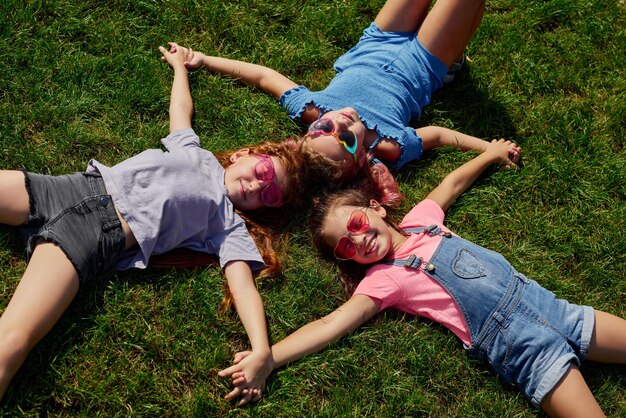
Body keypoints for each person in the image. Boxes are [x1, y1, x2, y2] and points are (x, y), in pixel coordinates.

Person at [219, 139, 626, 416]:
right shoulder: (383, 280)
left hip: (558, 310)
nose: (357, 241)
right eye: (345, 246)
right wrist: (268, 358)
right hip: (529, 353)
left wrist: (490, 153)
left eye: (357, 223)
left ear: (376, 208)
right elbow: (330, 325)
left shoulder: (421, 222)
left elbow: (451, 184)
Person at [0, 42, 301, 399]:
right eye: (263, 171)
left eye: (269, 195)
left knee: (13, 337)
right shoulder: (194, 152)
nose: (257, 186)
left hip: (92, 235)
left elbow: (243, 288)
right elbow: (181, 112)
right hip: (66, 188)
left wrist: (262, 351)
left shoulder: (227, 225)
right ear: (243, 155)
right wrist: (180, 69)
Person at [174, 0, 520, 192]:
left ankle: (456, 56)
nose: (337, 123)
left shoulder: (311, 109)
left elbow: (264, 77)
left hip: (381, 39)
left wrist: (204, 60)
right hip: (425, 62)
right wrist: (490, 149)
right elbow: (441, 136)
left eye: (323, 128)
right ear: (361, 159)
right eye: (346, 140)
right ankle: (452, 61)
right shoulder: (389, 146)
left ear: (311, 131)